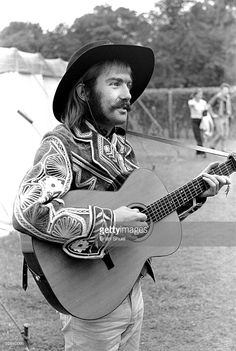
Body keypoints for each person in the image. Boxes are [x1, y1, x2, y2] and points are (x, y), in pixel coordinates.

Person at [12, 41, 231, 351]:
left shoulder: (121, 149)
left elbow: (143, 222)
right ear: (84, 92)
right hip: (90, 299)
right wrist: (110, 219)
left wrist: (198, 190)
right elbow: (29, 211)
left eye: (128, 85)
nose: (128, 94)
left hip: (128, 289)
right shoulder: (62, 146)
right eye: (115, 83)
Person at [208, 82, 232, 151]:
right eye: (224, 90)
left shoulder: (228, 97)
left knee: (225, 134)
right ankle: (212, 145)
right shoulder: (217, 97)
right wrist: (212, 114)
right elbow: (209, 105)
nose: (226, 91)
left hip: (225, 116)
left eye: (227, 90)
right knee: (220, 133)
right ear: (221, 90)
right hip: (218, 117)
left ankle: (223, 148)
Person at [188, 88, 208, 157]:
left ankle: (198, 152)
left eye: (201, 94)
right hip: (195, 120)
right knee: (198, 137)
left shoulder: (203, 102)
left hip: (202, 120)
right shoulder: (191, 102)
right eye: (199, 94)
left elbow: (205, 112)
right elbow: (194, 108)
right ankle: (203, 152)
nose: (200, 95)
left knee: (202, 137)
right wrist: (201, 110)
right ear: (195, 95)